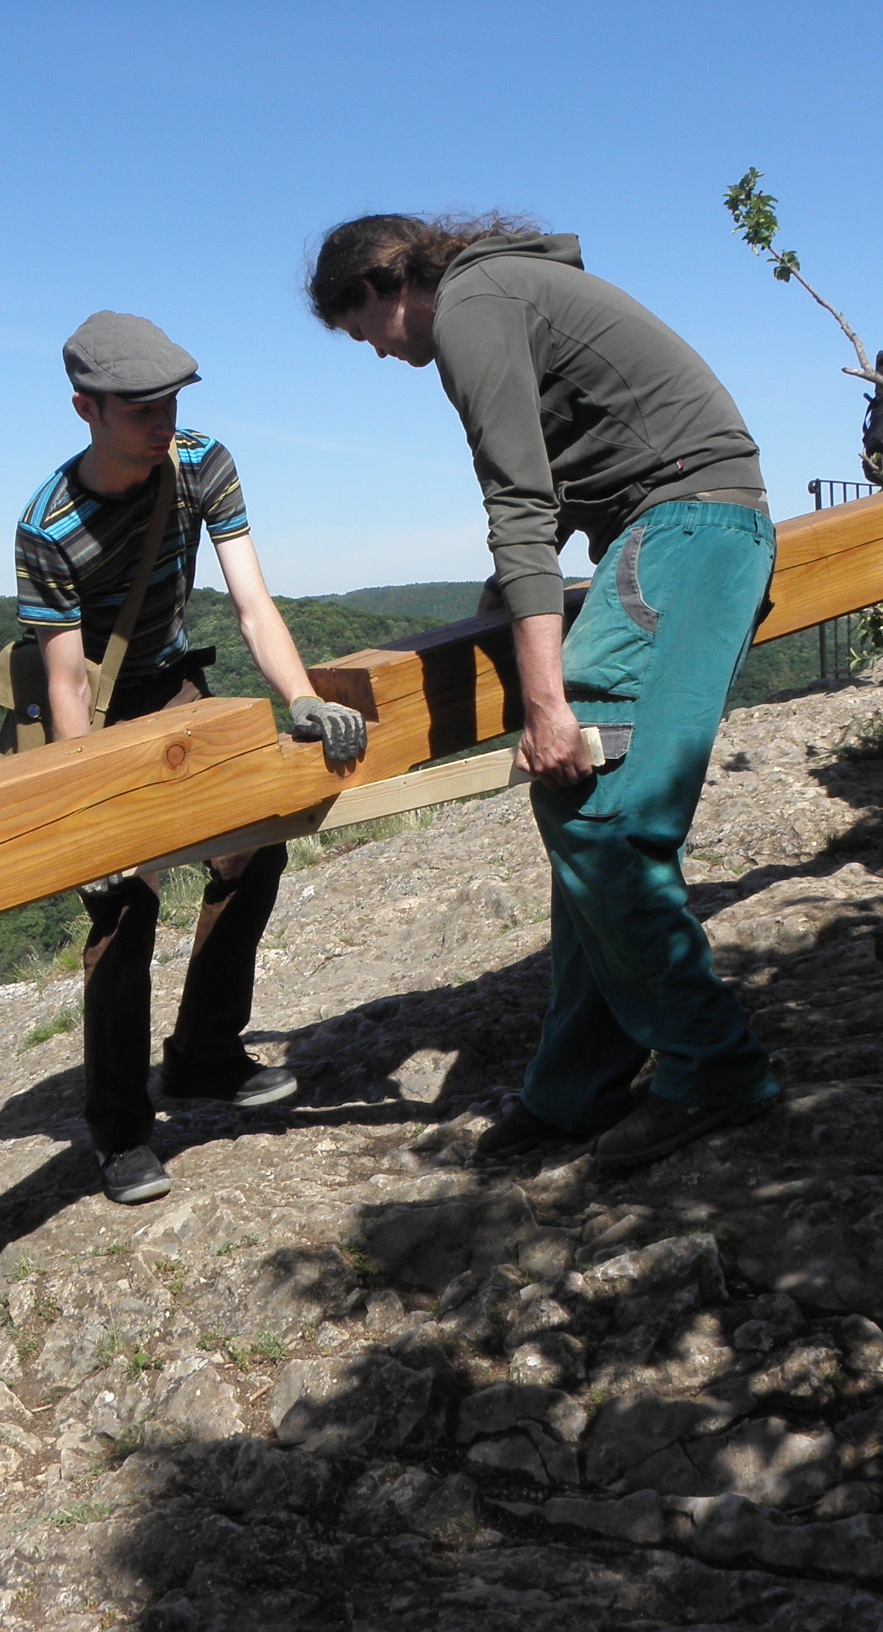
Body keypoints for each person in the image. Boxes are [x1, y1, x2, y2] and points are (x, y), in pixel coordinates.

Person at [308, 215, 780, 1175]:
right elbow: (565, 477)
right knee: (593, 834)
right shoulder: (512, 288)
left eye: (367, 330)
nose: (382, 353)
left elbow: (519, 505)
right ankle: (575, 1090)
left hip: (682, 528)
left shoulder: (474, 306)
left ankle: (713, 1067)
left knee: (600, 814)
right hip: (697, 526)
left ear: (385, 283)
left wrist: (546, 702)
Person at [15, 312, 368, 1207]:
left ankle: (206, 1054)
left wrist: (300, 698)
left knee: (255, 842)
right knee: (124, 905)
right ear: (84, 408)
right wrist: (94, 818)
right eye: (140, 406)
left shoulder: (202, 461)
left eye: (171, 398)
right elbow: (64, 684)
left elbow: (251, 602)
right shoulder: (49, 527)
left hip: (173, 684)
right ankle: (121, 1130)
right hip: (95, 710)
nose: (162, 417)